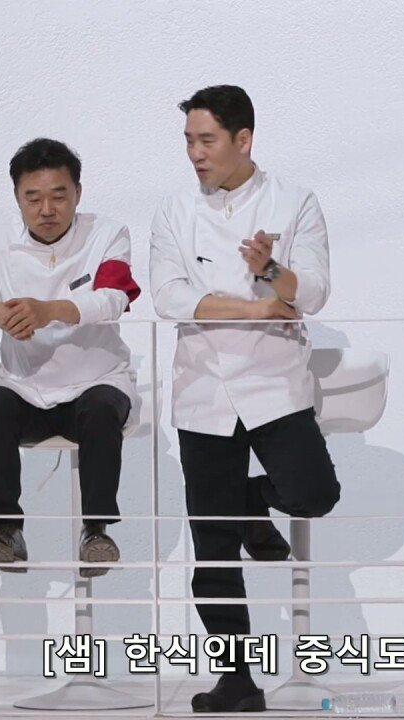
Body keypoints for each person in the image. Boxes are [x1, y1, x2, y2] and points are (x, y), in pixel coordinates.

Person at [149, 85, 340, 713]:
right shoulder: (174, 211)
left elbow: (313, 291)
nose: (195, 154)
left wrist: (272, 270)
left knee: (314, 493)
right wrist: (258, 306)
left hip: (273, 379)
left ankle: (250, 505)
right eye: (188, 141)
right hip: (203, 385)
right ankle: (236, 678)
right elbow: (170, 296)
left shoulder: (294, 200)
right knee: (213, 553)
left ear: (243, 139)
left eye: (207, 140)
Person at [0, 138, 140, 578]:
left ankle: (96, 532)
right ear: (17, 197)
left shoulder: (108, 234)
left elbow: (114, 298)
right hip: (25, 383)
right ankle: (3, 532)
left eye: (59, 195)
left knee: (101, 410)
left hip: (96, 379)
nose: (47, 209)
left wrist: (50, 310)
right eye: (33, 198)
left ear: (78, 192)